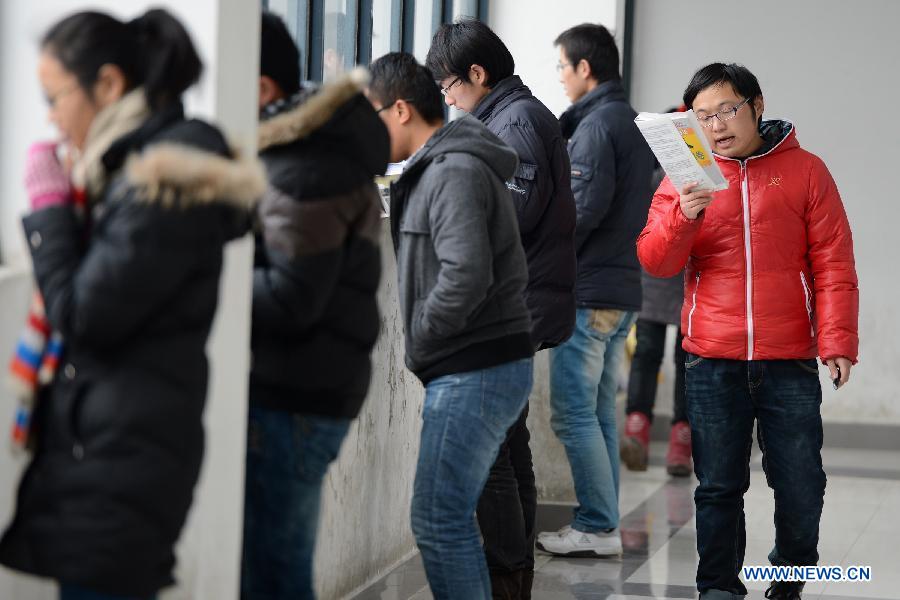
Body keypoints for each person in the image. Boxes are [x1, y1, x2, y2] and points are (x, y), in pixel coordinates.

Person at [0, 9, 263, 600]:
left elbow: (84, 315)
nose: (50, 117)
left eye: (54, 97)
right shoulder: (131, 173)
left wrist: (47, 211)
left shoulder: (162, 183)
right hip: (115, 447)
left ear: (110, 85)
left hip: (125, 462)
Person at [637, 63, 858, 600]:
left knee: (803, 486)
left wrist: (837, 340)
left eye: (726, 110)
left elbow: (833, 262)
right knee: (717, 488)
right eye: (703, 116)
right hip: (711, 358)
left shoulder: (806, 171)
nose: (715, 125)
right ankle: (717, 588)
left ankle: (786, 582)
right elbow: (655, 261)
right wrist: (683, 217)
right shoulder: (685, 175)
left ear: (757, 105)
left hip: (790, 360)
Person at [367, 52, 534, 600]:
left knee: (439, 520)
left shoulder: (453, 169)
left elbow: (466, 273)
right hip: (475, 364)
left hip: (474, 367)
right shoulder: (444, 164)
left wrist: (424, 334)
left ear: (398, 110)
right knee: (449, 516)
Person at [241, 12, 389, 600]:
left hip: (296, 394)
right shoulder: (310, 150)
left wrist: (204, 282)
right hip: (310, 383)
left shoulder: (304, 166)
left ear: (260, 89)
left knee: (274, 567)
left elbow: (290, 297)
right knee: (274, 560)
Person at [426, 19, 576, 598]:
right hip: (522, 302)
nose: (446, 97)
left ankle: (504, 576)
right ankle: (513, 576)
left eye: (448, 86)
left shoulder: (512, 125)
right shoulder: (514, 117)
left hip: (512, 307)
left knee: (491, 452)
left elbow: (505, 218)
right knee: (508, 446)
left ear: (477, 74)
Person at [535, 23, 655, 558]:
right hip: (623, 288)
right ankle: (602, 522)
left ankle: (596, 522)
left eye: (562, 66)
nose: (559, 78)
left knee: (573, 411)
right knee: (601, 408)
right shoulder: (628, 120)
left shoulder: (598, 127)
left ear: (585, 68)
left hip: (591, 291)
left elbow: (581, 212)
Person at [622, 148, 691, 476]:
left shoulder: (654, 179)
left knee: (671, 358)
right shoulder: (655, 180)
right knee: (658, 356)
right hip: (657, 277)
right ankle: (651, 435)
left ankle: (671, 435)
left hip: (682, 281)